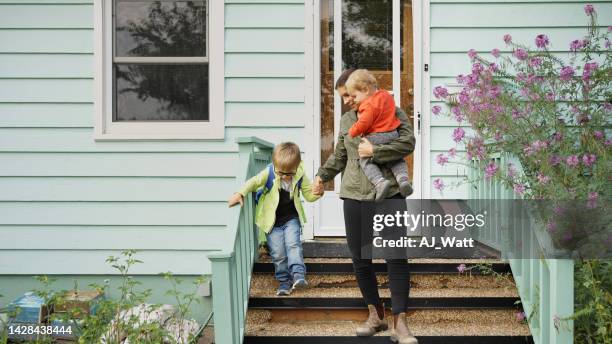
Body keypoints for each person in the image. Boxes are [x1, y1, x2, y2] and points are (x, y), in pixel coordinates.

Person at [313, 69, 418, 344]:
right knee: (361, 259)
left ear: (362, 89)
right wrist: (322, 176)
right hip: (354, 195)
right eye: (342, 96)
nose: (346, 100)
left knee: (396, 256)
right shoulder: (347, 119)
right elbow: (340, 155)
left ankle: (401, 323)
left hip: (390, 194)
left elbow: (408, 142)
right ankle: (376, 314)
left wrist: (376, 152)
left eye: (348, 94)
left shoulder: (392, 109)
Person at [229, 142, 321, 295]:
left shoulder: (299, 176)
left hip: (291, 218)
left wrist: (318, 193)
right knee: (278, 253)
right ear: (274, 165)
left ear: (297, 166)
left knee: (293, 245)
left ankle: (298, 275)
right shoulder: (269, 172)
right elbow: (253, 182)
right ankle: (284, 281)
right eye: (281, 173)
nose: (285, 176)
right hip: (271, 222)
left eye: (289, 173)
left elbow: (309, 196)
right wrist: (240, 193)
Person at [345, 69, 413, 201]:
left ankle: (379, 182)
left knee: (364, 158)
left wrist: (352, 131)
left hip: (377, 136)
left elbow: (364, 123)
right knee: (396, 159)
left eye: (354, 96)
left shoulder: (368, 105)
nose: (354, 100)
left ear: (365, 90)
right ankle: (403, 179)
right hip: (393, 133)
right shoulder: (386, 96)